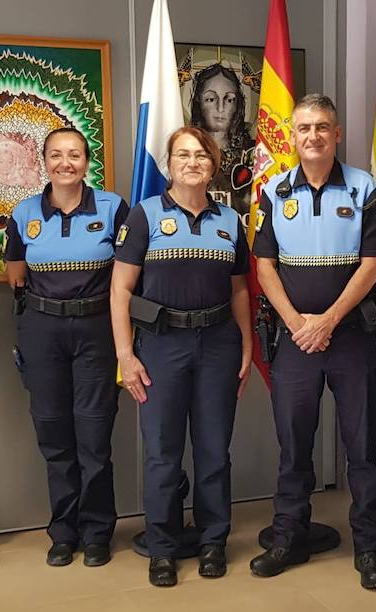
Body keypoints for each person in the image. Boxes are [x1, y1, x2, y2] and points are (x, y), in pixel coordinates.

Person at [249, 94, 376, 590]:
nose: (313, 136)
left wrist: (327, 321)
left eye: (322, 127)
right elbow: (264, 265)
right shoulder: (272, 190)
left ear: (337, 134)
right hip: (294, 341)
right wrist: (297, 323)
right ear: (292, 135)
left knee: (362, 450)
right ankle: (288, 537)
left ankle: (371, 549)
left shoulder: (364, 187)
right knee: (294, 447)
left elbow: (371, 266)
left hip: (351, 337)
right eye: (304, 128)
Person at [110, 126, 253, 587]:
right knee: (163, 454)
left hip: (217, 345)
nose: (192, 163)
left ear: (213, 165)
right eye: (183, 155)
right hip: (161, 346)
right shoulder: (144, 215)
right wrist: (125, 356)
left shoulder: (230, 220)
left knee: (214, 449)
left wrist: (247, 346)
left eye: (201, 155)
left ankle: (213, 541)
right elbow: (120, 290)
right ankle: (163, 548)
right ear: (168, 165)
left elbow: (239, 289)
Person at [5, 128, 126, 568]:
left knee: (94, 437)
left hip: (97, 330)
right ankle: (63, 531)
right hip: (43, 330)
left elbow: (129, 274)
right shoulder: (24, 212)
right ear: (44, 161)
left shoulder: (114, 208)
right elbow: (16, 275)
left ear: (86, 161)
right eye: (56, 155)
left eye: (74, 154)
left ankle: (97, 532)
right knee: (54, 434)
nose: (65, 163)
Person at [188, 63, 252, 210]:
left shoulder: (253, 153)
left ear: (238, 105)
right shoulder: (186, 155)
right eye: (211, 99)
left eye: (229, 99)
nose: (221, 108)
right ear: (199, 102)